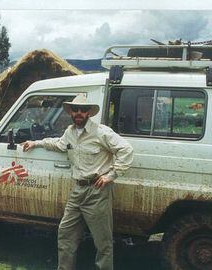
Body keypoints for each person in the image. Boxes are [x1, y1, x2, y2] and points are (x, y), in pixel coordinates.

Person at [21, 93, 134, 270]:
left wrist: (111, 175)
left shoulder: (101, 132)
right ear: (71, 112)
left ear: (89, 112)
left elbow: (126, 150)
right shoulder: (70, 132)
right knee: (65, 234)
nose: (78, 113)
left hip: (97, 191)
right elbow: (58, 144)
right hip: (77, 191)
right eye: (75, 109)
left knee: (102, 242)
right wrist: (36, 143)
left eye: (82, 110)